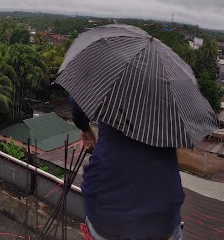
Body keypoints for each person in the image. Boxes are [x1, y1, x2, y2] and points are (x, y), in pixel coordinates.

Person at [71, 97, 184, 240]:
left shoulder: (113, 80)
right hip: (162, 212)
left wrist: (85, 128)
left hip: (107, 206)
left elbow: (79, 98)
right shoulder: (172, 89)